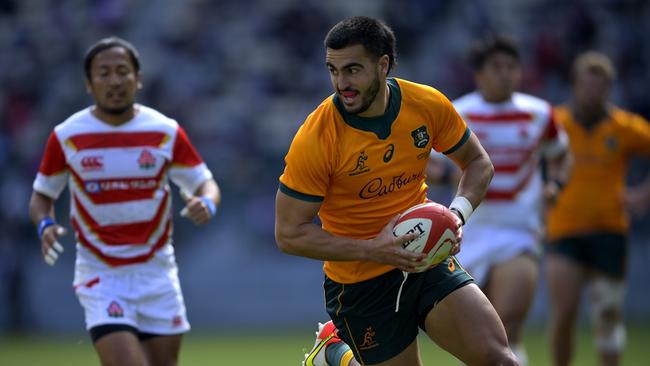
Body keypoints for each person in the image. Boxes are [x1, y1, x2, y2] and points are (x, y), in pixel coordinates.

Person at [275, 16, 519, 366]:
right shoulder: (316, 138)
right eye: (333, 70)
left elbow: (478, 163)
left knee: (501, 361)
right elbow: (288, 234)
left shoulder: (426, 103)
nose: (341, 83)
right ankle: (339, 355)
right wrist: (374, 249)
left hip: (426, 262)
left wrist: (456, 216)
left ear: (383, 64)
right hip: (361, 286)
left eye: (353, 70)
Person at [28, 37, 221, 366]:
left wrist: (208, 203)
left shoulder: (165, 131)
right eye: (103, 73)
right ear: (89, 84)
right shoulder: (67, 135)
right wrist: (45, 223)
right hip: (102, 275)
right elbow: (42, 196)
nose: (114, 80)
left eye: (122, 71)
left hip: (157, 272)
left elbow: (205, 182)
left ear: (138, 78)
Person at [426, 35, 569, 365]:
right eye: (497, 67)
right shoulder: (458, 112)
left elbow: (561, 155)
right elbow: (425, 161)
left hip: (519, 232)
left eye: (511, 67)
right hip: (467, 236)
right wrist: (447, 176)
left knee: (507, 323)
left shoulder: (538, 113)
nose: (505, 74)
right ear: (479, 74)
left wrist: (556, 185)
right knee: (480, 340)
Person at [545, 51, 650, 366]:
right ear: (575, 85)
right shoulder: (555, 122)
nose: (593, 93)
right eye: (587, 85)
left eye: (600, 87)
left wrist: (642, 196)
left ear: (609, 88)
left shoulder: (625, 127)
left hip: (610, 230)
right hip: (564, 230)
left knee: (608, 313)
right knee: (564, 314)